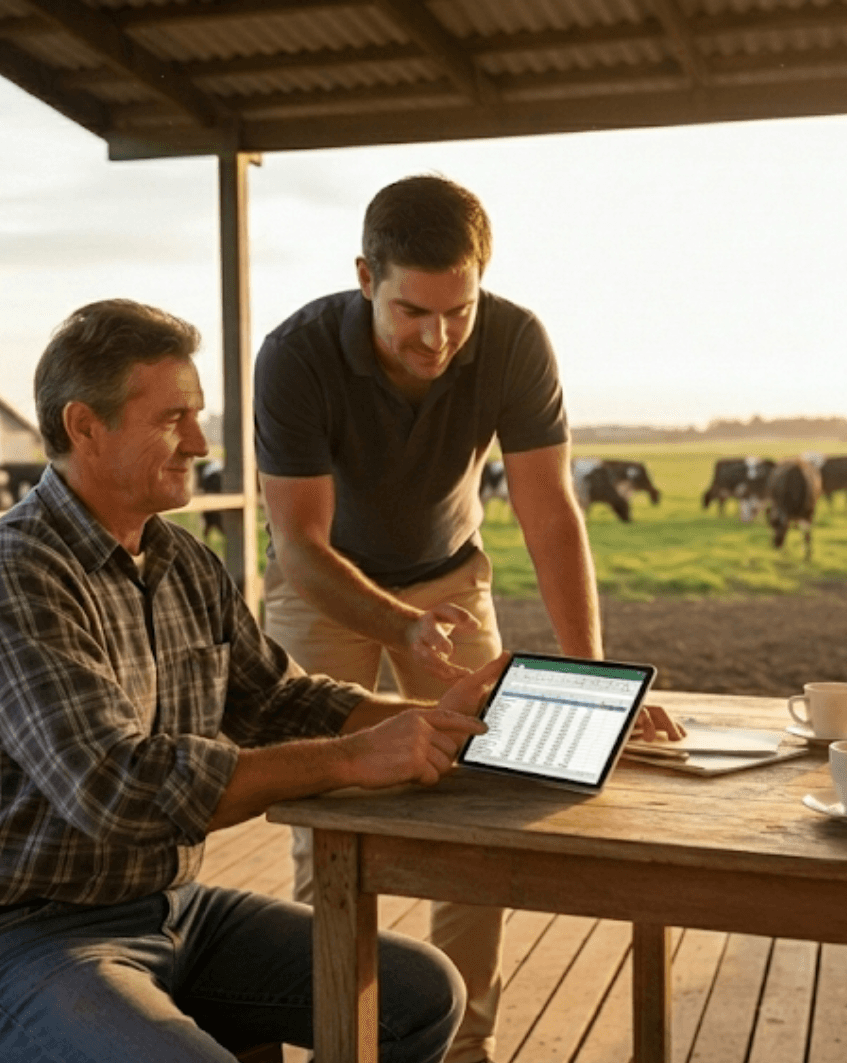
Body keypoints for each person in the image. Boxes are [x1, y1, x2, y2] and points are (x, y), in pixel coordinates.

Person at [0, 298, 509, 1063]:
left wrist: (433, 718)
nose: (199, 441)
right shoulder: (11, 576)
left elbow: (278, 700)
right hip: (15, 938)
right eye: (171, 419)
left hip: (172, 908)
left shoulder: (182, 560)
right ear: (85, 426)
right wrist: (356, 757)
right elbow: (115, 788)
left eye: (197, 414)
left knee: (420, 993)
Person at [253, 174, 683, 1063]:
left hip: (449, 576)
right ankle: (339, 1037)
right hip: (324, 584)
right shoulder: (294, 354)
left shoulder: (516, 340)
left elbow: (549, 513)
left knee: (486, 792)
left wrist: (592, 675)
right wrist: (397, 624)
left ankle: (460, 1044)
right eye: (413, 311)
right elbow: (299, 544)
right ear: (366, 277)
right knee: (326, 809)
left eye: (459, 311)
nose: (439, 337)